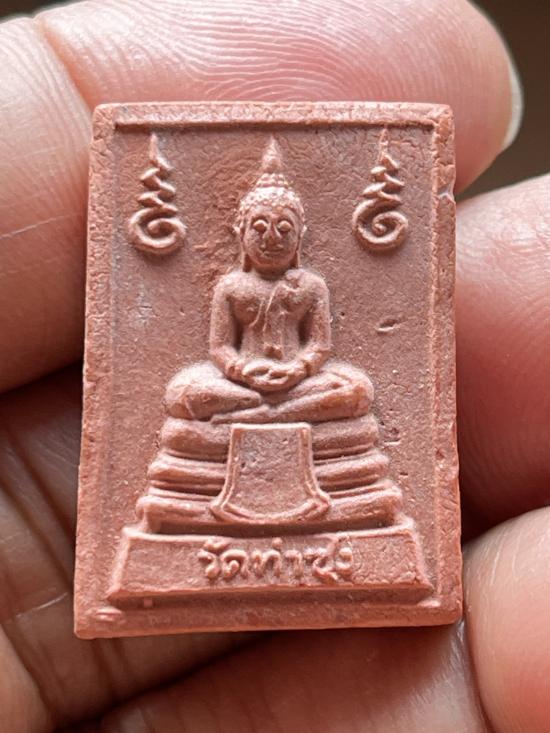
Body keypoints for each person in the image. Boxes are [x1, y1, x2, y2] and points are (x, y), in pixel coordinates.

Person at [4, 1, 550, 731]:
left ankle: (327, 492)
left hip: (300, 387)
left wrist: (293, 373)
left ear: (298, 233)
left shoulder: (311, 286)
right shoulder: (231, 287)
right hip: (239, 386)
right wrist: (244, 375)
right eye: (259, 227)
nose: (270, 237)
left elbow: (319, 348)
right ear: (240, 232)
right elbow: (220, 349)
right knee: (185, 389)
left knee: (353, 387)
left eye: (282, 228)